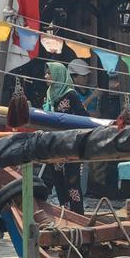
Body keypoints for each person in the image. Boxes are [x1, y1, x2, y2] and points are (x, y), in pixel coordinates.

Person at [43, 62, 87, 213]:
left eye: (49, 73)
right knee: (58, 181)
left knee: (72, 181)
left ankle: (78, 213)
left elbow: (83, 117)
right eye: (46, 73)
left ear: (58, 75)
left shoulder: (71, 94)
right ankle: (65, 212)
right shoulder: (49, 95)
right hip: (54, 145)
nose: (46, 76)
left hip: (71, 144)